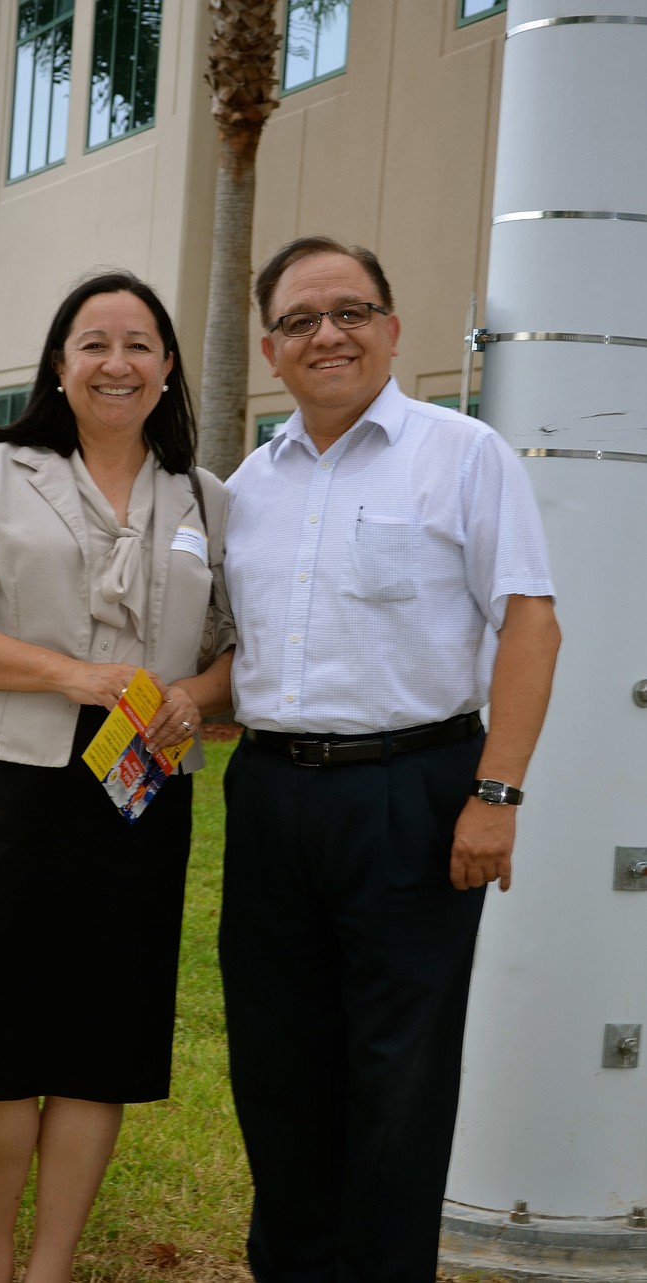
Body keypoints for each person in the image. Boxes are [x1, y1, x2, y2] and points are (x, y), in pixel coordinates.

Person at [219, 235, 561, 1283]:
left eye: (350, 310)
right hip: (271, 795)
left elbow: (531, 625)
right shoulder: (246, 487)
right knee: (276, 1061)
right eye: (301, 320)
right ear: (270, 347)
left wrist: (494, 792)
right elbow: (248, 650)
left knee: (397, 1069)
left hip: (413, 794)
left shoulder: (461, 453)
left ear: (392, 328)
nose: (328, 334)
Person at [0, 270, 235, 1283]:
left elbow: (241, 651)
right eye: (94, 343)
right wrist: (77, 676)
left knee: (101, 1034)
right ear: (59, 363)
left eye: (139, 344)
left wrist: (193, 691)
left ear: (168, 367)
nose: (117, 363)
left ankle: (51, 1267)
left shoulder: (206, 498)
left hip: (136, 792)